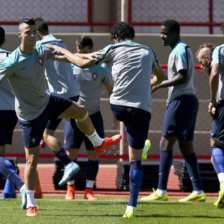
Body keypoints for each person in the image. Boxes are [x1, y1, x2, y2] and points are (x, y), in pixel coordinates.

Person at [0, 18, 121, 217]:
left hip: (46, 101)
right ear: (19, 35)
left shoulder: (43, 49)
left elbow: (73, 58)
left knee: (81, 111)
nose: (31, 35)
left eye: (33, 32)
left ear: (38, 34)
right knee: (32, 159)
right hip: (29, 115)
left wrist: (92, 57)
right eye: (27, 32)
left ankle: (98, 142)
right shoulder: (12, 62)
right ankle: (31, 203)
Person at [49, 21, 165, 218]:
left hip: (118, 107)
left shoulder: (114, 48)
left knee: (86, 124)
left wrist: (63, 52)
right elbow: (161, 76)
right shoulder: (148, 51)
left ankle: (109, 149)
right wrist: (150, 84)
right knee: (135, 160)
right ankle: (131, 207)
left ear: (116, 38)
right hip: (140, 109)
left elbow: (84, 62)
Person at [140, 20, 206, 203]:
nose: (162, 36)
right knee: (185, 146)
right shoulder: (181, 49)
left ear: (176, 33)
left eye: (165, 33)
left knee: (165, 142)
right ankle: (198, 190)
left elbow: (182, 76)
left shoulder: (179, 50)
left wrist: (160, 84)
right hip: (187, 101)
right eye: (161, 33)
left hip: (181, 100)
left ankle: (161, 190)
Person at [33, 18, 82, 188]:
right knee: (82, 120)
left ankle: (68, 163)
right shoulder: (61, 42)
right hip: (74, 93)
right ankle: (98, 141)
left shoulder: (40, 46)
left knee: (48, 134)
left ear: (37, 32)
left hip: (59, 96)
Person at [64, 35, 113, 200]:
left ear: (91, 50)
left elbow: (111, 90)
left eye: (84, 52)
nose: (80, 56)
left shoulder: (102, 67)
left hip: (93, 116)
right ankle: (70, 189)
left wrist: (116, 111)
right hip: (74, 115)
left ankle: (89, 190)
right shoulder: (70, 63)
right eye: (78, 52)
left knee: (94, 154)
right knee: (71, 153)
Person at [0, 26, 26, 209]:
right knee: (1, 153)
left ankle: (20, 184)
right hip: (11, 110)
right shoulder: (11, 57)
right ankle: (8, 188)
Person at [199, 39, 224, 208]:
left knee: (216, 145)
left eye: (202, 61)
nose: (201, 65)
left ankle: (223, 181)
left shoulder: (220, 50)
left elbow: (215, 74)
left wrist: (212, 101)